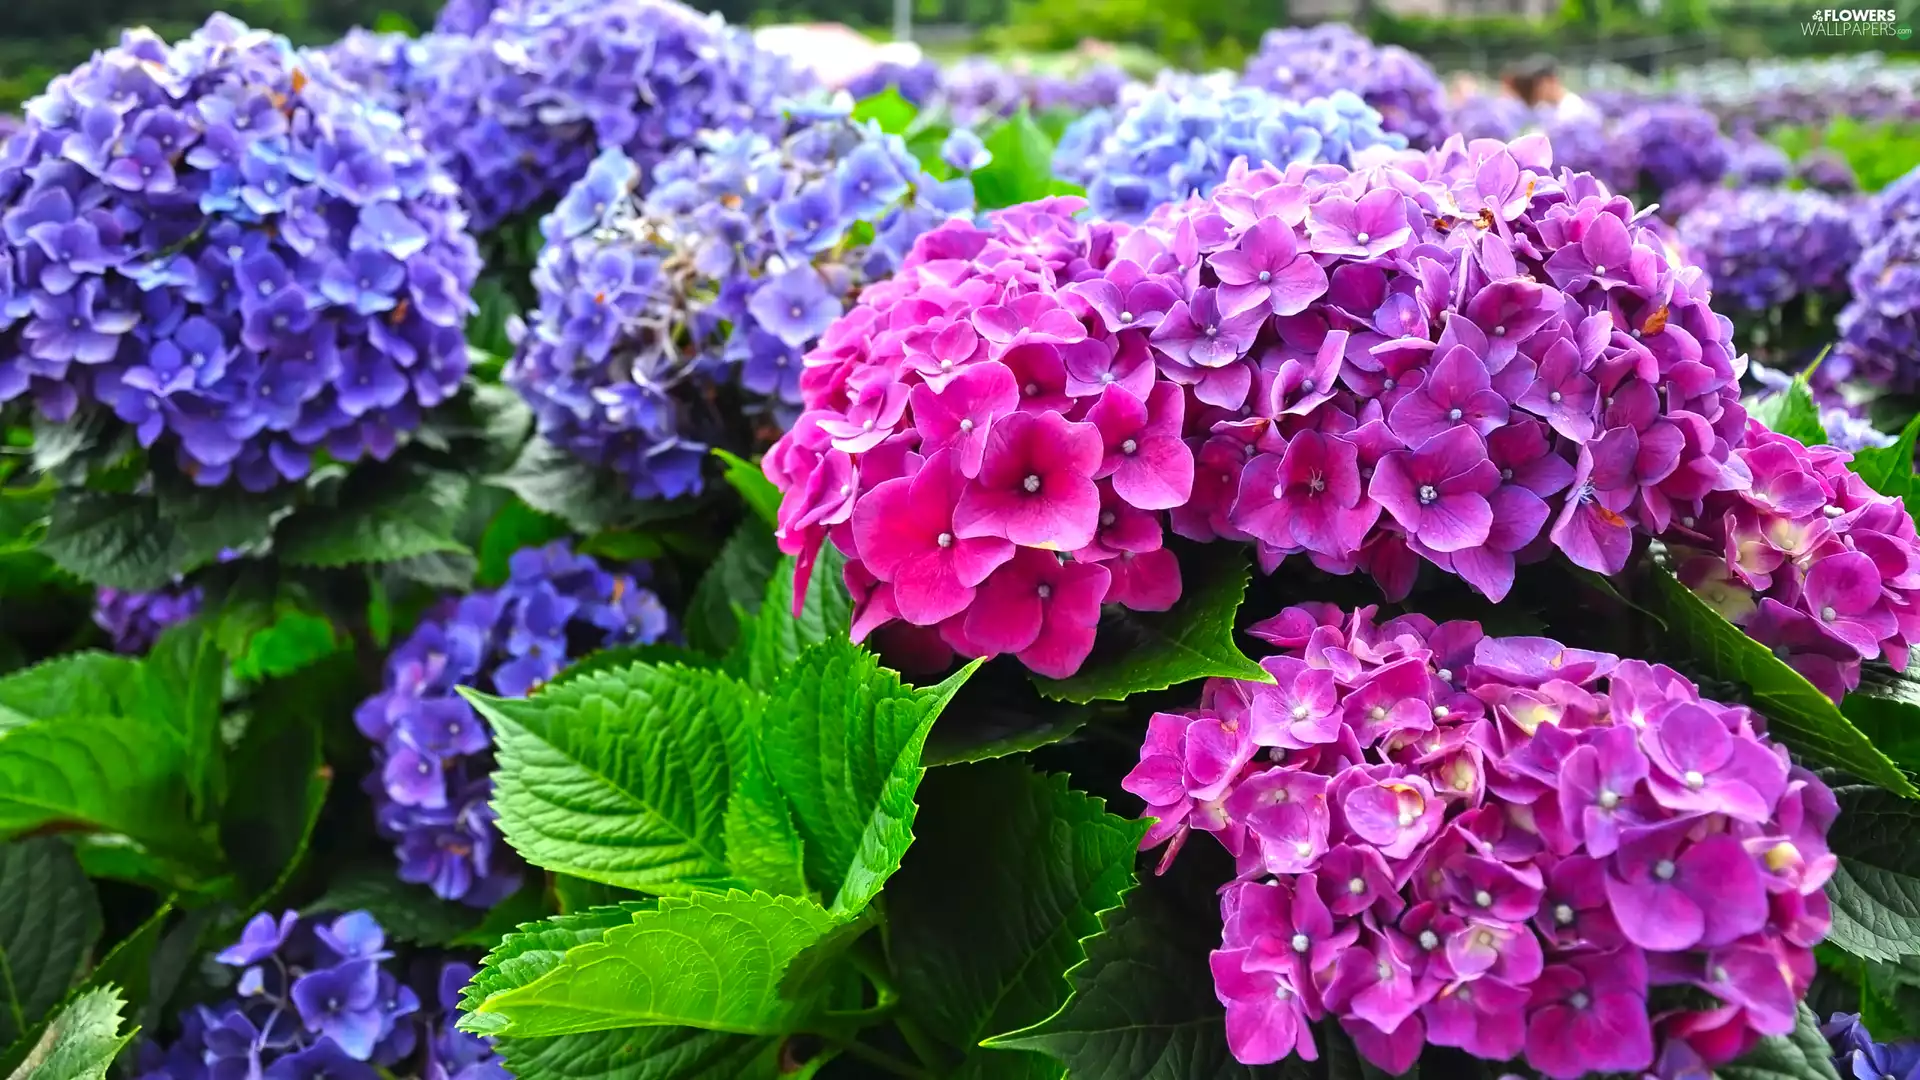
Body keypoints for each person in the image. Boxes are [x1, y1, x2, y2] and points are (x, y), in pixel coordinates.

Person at [1501, 54, 1600, 121]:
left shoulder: (1575, 110)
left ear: (1551, 80)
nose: (1533, 90)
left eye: (1536, 84)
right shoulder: (1542, 109)